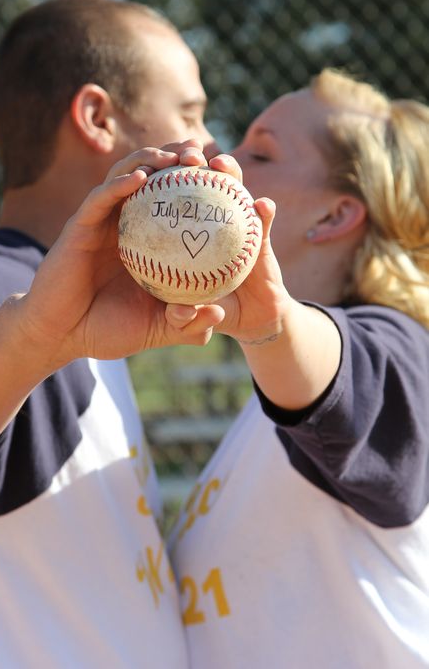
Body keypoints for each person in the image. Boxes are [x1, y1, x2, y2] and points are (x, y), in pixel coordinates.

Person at [0, 0, 218, 668]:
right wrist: (40, 332)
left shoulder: (69, 299)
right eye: (189, 113)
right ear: (97, 116)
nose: (212, 142)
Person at [167, 69, 429, 668]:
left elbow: (344, 379)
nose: (222, 157)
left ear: (335, 217)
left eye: (260, 152)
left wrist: (271, 323)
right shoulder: (271, 390)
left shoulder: (403, 352)